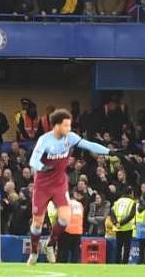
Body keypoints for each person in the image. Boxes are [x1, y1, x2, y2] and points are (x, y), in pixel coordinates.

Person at [24, 108, 111, 265]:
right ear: (56, 126)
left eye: (70, 125)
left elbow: (88, 144)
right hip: (42, 186)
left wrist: (108, 151)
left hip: (59, 184)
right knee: (37, 223)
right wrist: (41, 167)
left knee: (65, 219)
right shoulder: (45, 140)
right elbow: (33, 160)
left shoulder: (70, 137)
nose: (69, 129)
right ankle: (35, 252)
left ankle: (50, 244)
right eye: (66, 125)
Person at [106, 186, 137, 265]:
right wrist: (121, 223)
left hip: (118, 228)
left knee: (118, 247)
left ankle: (117, 263)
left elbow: (112, 212)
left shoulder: (117, 201)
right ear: (131, 193)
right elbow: (131, 215)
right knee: (126, 248)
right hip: (127, 228)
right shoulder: (132, 202)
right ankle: (124, 263)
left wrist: (116, 223)